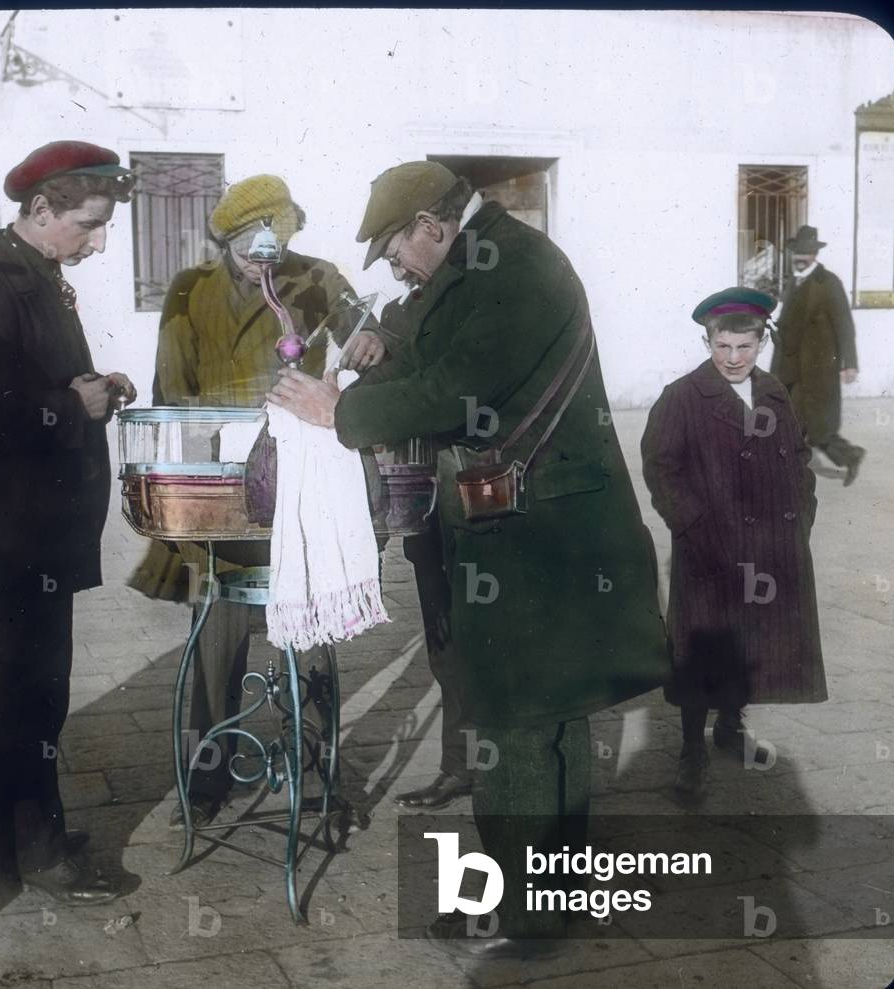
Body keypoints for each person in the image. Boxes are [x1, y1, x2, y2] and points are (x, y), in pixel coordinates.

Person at [268, 161, 670, 956]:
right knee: (548, 721)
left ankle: (522, 917)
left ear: (431, 225)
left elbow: (457, 389)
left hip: (540, 537)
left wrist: (337, 409)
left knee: (517, 722)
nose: (393, 268)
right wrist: (380, 348)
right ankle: (552, 896)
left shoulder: (514, 268)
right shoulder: (485, 259)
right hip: (537, 525)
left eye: (394, 252)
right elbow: (428, 353)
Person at [132, 174, 387, 830]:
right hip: (223, 486)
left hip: (302, 478)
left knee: (310, 624)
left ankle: (318, 774)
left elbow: (371, 333)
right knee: (216, 636)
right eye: (248, 249)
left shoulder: (319, 276)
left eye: (272, 247)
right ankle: (207, 778)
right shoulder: (192, 290)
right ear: (225, 239)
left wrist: (370, 339)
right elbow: (171, 388)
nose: (262, 263)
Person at [0, 141, 138, 903]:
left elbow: (26, 383)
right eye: (87, 225)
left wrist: (90, 386)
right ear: (42, 210)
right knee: (36, 687)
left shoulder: (36, 275)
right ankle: (41, 849)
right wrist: (67, 406)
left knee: (24, 683)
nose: (97, 241)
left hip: (35, 524)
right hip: (16, 529)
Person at [641, 287, 827, 801]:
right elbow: (661, 468)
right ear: (708, 342)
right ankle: (690, 749)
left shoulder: (774, 392)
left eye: (744, 347)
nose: (733, 359)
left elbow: (799, 455)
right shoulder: (682, 397)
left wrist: (801, 516)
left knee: (748, 644)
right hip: (711, 550)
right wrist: (693, 525)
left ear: (761, 341)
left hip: (768, 546)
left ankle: (730, 728)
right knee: (701, 647)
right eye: (722, 347)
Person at [373, 290, 473, 810]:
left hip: (488, 500)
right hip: (427, 501)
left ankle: (495, 766)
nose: (398, 272)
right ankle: (461, 765)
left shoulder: (481, 303)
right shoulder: (399, 312)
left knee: (486, 640)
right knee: (444, 641)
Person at [770, 225, 865, 484]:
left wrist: (850, 363)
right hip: (788, 365)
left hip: (816, 367)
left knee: (815, 427)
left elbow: (844, 324)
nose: (801, 258)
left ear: (815, 254)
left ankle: (847, 456)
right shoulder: (792, 281)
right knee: (793, 421)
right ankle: (796, 471)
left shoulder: (829, 282)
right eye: (797, 253)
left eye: (807, 253)